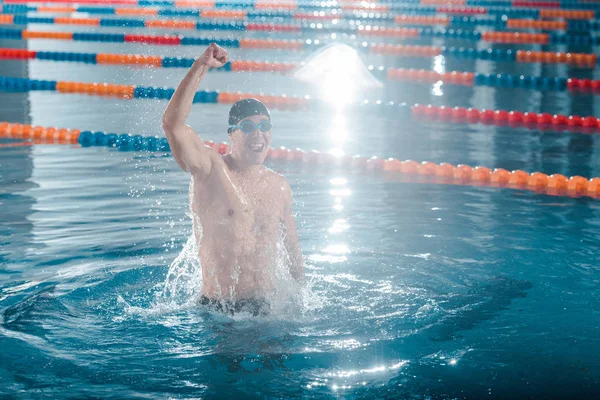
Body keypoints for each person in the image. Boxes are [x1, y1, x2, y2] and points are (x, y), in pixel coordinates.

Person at [162, 43, 304, 315]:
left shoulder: (279, 186)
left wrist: (302, 301)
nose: (258, 134)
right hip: (219, 311)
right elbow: (172, 124)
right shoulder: (210, 169)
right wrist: (201, 66)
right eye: (248, 127)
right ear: (231, 133)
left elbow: (293, 252)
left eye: (265, 127)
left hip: (266, 310)